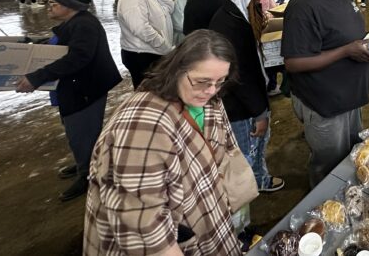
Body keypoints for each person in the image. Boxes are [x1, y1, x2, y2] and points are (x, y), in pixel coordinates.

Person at [84, 30, 252, 255]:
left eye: (220, 82)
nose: (211, 91)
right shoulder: (142, 126)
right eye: (202, 81)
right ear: (177, 69)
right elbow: (145, 229)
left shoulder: (209, 101)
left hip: (206, 223)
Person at [15, 0, 121, 201]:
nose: (48, 7)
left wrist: (37, 77)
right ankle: (84, 162)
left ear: (70, 6)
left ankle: (89, 175)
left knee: (82, 132)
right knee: (77, 131)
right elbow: (63, 45)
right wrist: (35, 44)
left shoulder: (84, 25)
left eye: (53, 4)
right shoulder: (74, 22)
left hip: (85, 88)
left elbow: (77, 57)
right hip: (75, 87)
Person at [281, 0, 369, 188]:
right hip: (325, 104)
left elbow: (343, 33)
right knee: (328, 163)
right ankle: (322, 206)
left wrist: (367, 43)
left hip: (350, 96)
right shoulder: (304, 6)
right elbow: (293, 63)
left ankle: (347, 195)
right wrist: (346, 50)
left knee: (352, 154)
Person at [210, 0, 285, 193]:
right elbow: (240, 78)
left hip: (246, 102)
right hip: (241, 108)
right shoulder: (231, 26)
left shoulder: (234, 13)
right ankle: (244, 205)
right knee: (246, 153)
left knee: (255, 148)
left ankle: (260, 180)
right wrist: (260, 113)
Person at [115, 0, 174, 89]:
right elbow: (141, 29)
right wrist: (164, 46)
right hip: (142, 55)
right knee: (147, 93)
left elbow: (169, 9)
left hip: (152, 51)